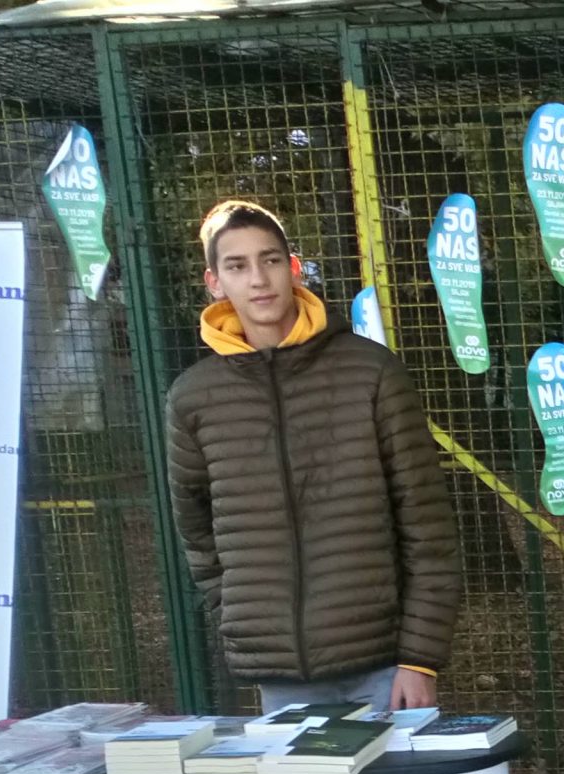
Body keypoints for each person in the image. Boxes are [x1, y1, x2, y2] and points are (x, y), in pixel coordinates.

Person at [166, 199, 460, 714]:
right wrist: (238, 615)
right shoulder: (194, 396)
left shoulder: (371, 372)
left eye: (271, 259)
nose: (258, 278)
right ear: (215, 283)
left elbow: (427, 524)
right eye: (237, 265)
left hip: (384, 667)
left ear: (294, 268)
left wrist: (420, 659)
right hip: (280, 677)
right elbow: (196, 528)